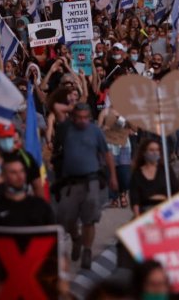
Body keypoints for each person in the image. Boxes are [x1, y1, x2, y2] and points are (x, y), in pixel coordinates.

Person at [54, 103, 117, 269]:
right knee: (66, 218)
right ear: (74, 117)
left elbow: (107, 154)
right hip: (70, 182)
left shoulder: (95, 131)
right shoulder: (67, 127)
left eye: (85, 117)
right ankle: (76, 238)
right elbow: (56, 107)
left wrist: (113, 176)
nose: (82, 121)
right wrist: (73, 108)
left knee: (89, 219)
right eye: (79, 117)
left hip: (91, 181)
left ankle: (87, 250)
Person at [0, 154, 55, 227]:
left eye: (22, 171)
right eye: (13, 172)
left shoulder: (41, 207)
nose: (19, 176)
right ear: (3, 176)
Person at [129, 138, 179, 216]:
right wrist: (137, 216)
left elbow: (176, 189)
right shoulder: (137, 174)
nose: (155, 153)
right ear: (144, 152)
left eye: (157, 150)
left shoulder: (165, 170)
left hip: (165, 211)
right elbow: (135, 198)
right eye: (151, 150)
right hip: (146, 212)